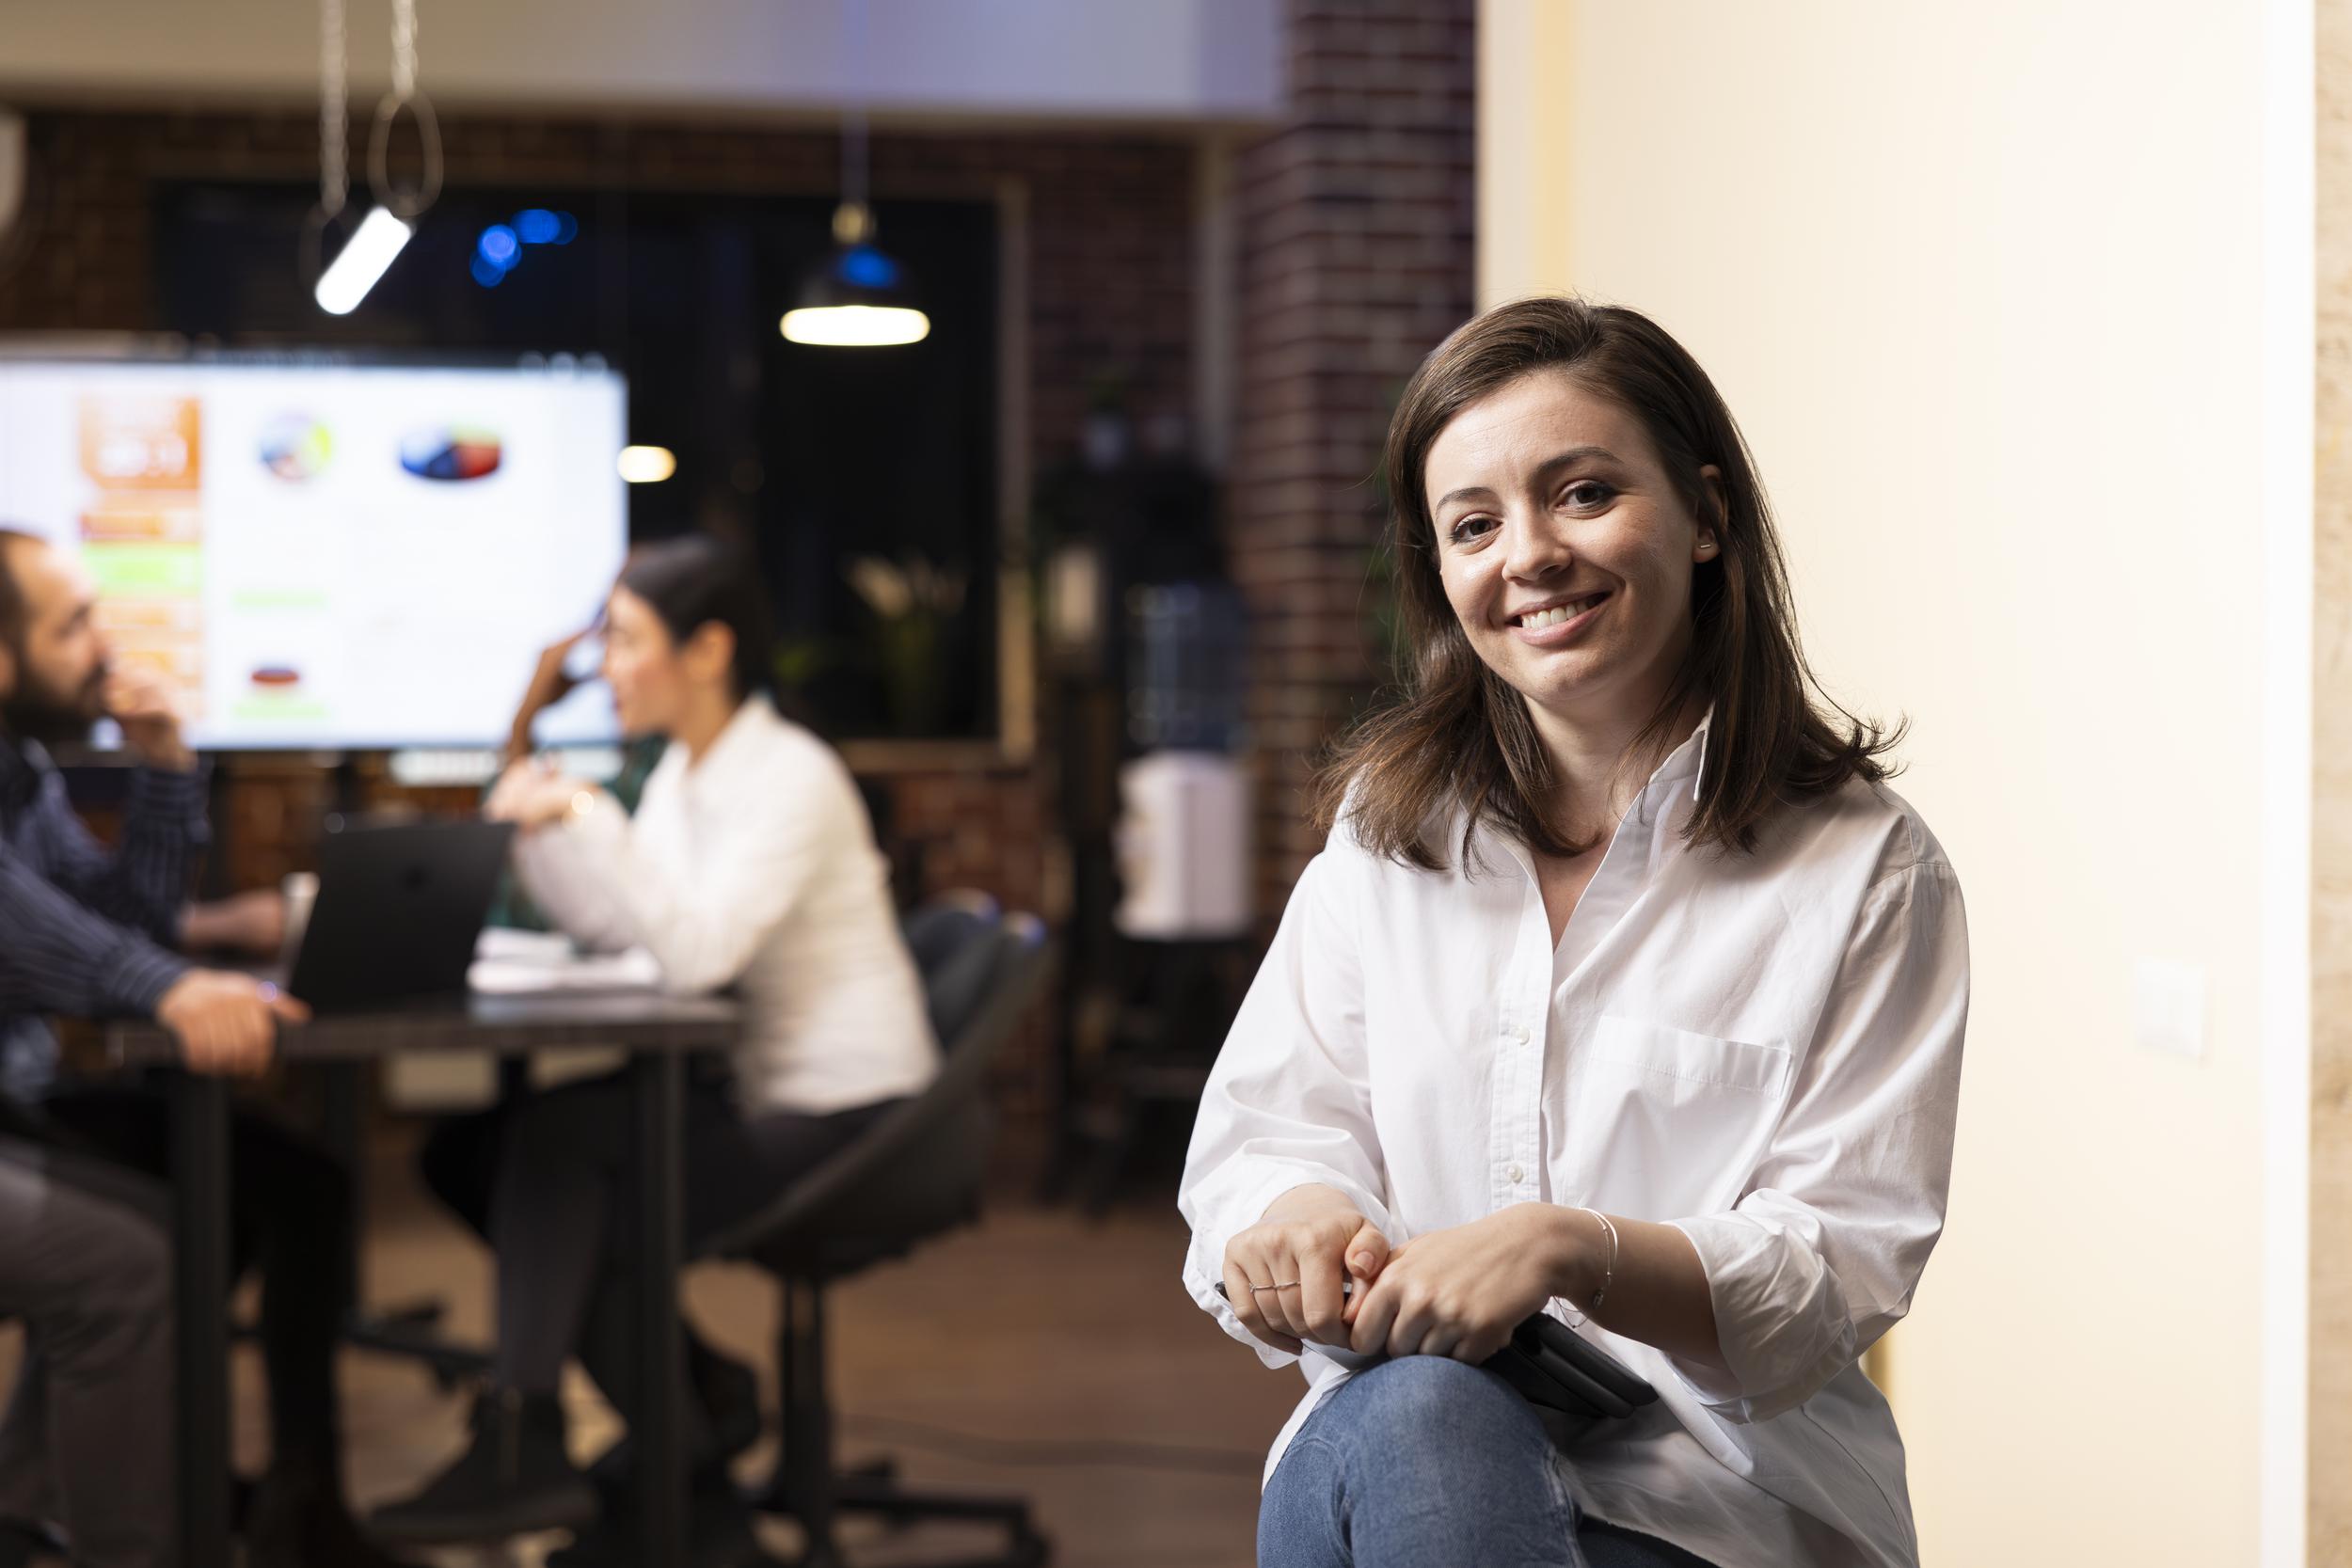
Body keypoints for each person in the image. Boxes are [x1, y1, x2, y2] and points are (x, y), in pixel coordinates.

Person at [1179, 299, 1967, 1568]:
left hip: (1716, 1495)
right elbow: (1261, 1139)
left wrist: (1574, 1249)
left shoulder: (1865, 869)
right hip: (1394, 1450)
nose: (1529, 554)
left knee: (1439, 1442)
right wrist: (1294, 1213)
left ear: (1708, 514)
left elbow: (1838, 1266)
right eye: (1474, 524)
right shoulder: (1384, 844)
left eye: (1584, 492)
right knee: (1429, 1411)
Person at [373, 535, 938, 1559]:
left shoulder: (789, 775)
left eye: (625, 640)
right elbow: (621, 921)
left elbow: (693, 949)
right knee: (478, 1155)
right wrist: (537, 823)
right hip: (757, 1091)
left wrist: (583, 809)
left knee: (563, 1158)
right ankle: (686, 1449)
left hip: (851, 1113)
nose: (606, 668)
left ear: (708, 649)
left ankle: (572, 1446)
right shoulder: (687, 771)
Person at [0, 528, 415, 1568]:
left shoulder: (22, 768)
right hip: (17, 1103)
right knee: (137, 1256)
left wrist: (167, 776)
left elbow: (119, 922)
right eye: (73, 622)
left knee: (257, 1184)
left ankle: (284, 1505)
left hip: (21, 1093)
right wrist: (169, 986)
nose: (104, 643)